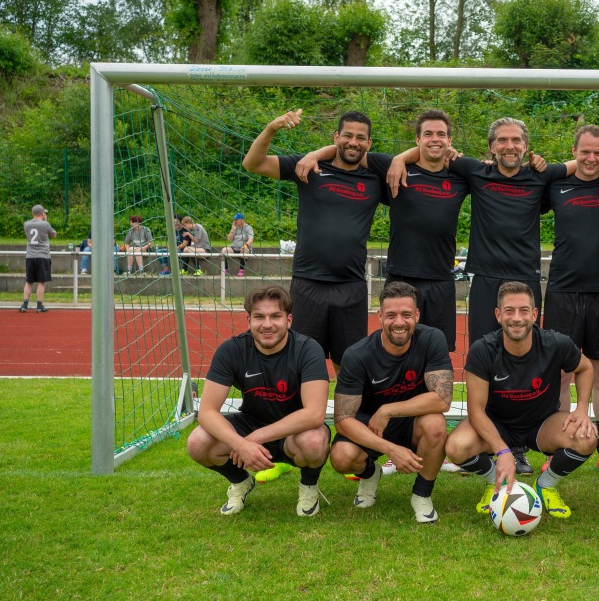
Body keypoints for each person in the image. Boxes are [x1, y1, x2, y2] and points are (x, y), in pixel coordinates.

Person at [390, 117, 599, 474]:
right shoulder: (475, 171)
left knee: (525, 364)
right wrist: (398, 158)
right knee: (484, 361)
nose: (510, 146)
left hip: (525, 281)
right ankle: (485, 441)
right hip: (486, 280)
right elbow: (434, 151)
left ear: (525, 146)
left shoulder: (542, 175)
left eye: (516, 140)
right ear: (492, 146)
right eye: (502, 140)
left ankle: (518, 447)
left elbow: (584, 161)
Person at [298, 109, 470, 352]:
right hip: (401, 276)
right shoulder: (392, 167)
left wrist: (402, 157)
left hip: (441, 280)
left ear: (449, 140)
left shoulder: (460, 175)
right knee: (395, 350)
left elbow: (486, 171)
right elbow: (351, 153)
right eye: (428, 134)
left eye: (441, 134)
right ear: (417, 139)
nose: (435, 139)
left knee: (437, 353)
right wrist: (315, 154)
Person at [243, 109, 383, 375]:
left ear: (369, 143)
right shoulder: (309, 167)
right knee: (303, 365)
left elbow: (414, 163)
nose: (353, 142)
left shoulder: (376, 177)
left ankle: (347, 406)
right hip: (308, 285)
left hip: (351, 287)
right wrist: (272, 127)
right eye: (347, 136)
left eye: (360, 138)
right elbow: (253, 163)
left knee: (351, 367)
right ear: (336, 137)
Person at [445, 281, 597, 519]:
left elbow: (585, 367)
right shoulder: (483, 350)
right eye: (509, 311)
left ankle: (545, 485)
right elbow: (476, 411)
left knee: (587, 437)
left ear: (534, 314)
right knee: (455, 447)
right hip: (497, 424)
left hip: (542, 424)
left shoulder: (555, 343)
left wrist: (582, 409)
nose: (517, 318)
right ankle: (495, 481)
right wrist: (502, 452)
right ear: (498, 315)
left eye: (524, 311)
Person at [186, 285, 331, 516]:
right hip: (251, 422)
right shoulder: (231, 350)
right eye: (259, 317)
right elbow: (207, 412)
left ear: (288, 320)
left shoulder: (308, 349)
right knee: (198, 442)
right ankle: (241, 481)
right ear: (249, 320)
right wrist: (240, 444)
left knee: (314, 442)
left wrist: (256, 438)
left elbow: (314, 414)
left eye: (275, 316)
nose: (267, 324)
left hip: (296, 432)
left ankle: (309, 486)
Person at [330, 282, 454, 523]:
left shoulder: (432, 339)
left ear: (416, 315)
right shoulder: (357, 355)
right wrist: (390, 449)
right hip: (371, 424)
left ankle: (422, 495)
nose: (399, 322)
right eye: (391, 315)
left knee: (436, 424)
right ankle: (370, 474)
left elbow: (442, 399)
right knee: (342, 457)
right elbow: (343, 420)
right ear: (379, 317)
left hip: (411, 421)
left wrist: (388, 409)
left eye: (406, 314)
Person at [543, 125, 599, 446]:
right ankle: (560, 446)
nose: (591, 158)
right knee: (561, 375)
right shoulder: (556, 184)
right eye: (585, 151)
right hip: (562, 291)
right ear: (573, 151)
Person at [21, 204, 56, 313]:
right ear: (42, 214)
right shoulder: (45, 224)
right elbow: (54, 234)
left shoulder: (26, 224)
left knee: (29, 281)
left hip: (30, 255)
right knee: (41, 281)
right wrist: (46, 221)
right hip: (42, 255)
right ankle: (39, 305)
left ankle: (24, 305)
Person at [222, 213, 255, 277]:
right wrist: (232, 230)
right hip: (234, 248)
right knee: (224, 250)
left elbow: (251, 239)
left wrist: (245, 246)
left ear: (242, 220)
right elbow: (229, 239)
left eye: (237, 220)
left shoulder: (248, 228)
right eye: (234, 220)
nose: (235, 221)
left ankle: (241, 270)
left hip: (244, 248)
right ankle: (225, 269)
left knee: (243, 249)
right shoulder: (235, 228)